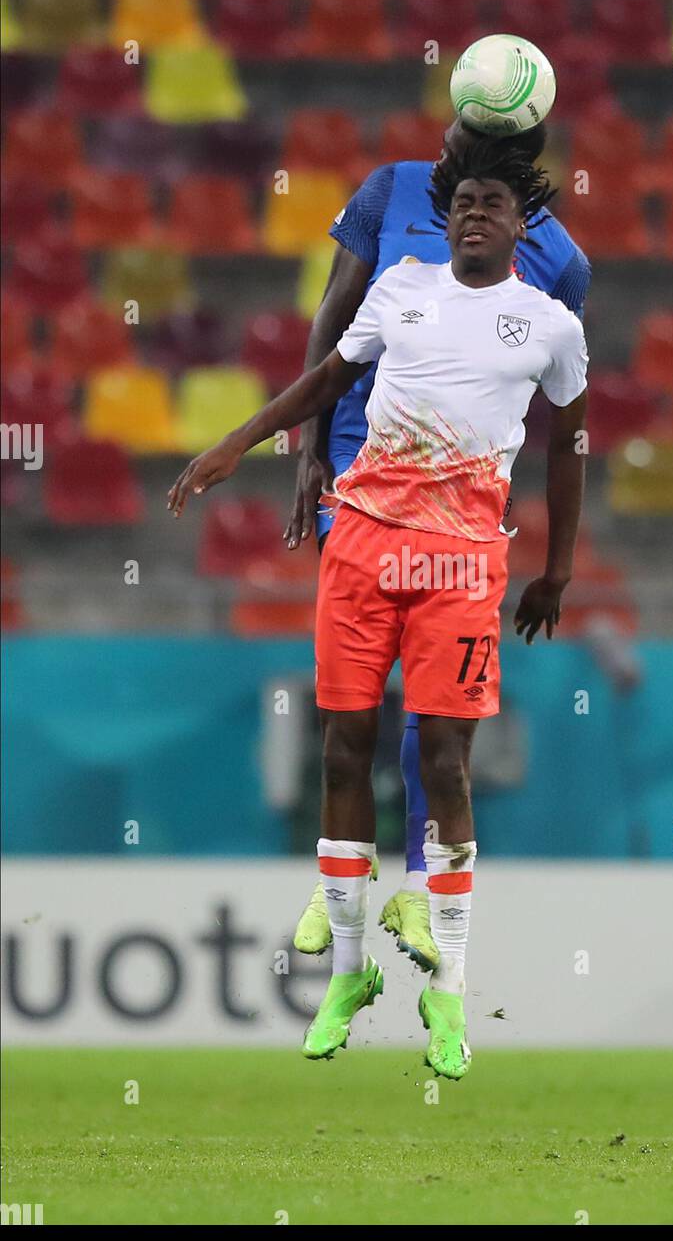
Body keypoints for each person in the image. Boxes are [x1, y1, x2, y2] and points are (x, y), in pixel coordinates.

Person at [168, 140, 589, 1077]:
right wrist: (240, 443)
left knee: (445, 763)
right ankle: (349, 976)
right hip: (362, 542)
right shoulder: (400, 286)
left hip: (463, 564)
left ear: (524, 224)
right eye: (462, 201)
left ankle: (447, 994)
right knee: (343, 745)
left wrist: (556, 571)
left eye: (492, 202)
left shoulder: (550, 324)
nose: (474, 212)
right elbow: (326, 382)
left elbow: (570, 447)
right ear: (445, 218)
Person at [286, 116, 591, 971]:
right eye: (458, 123)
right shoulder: (391, 189)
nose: (457, 139)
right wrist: (306, 448)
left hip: (455, 502)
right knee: (350, 711)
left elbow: (541, 404)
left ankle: (419, 889)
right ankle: (341, 884)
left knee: (435, 722)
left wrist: (548, 560)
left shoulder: (558, 263)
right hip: (358, 465)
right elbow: (331, 318)